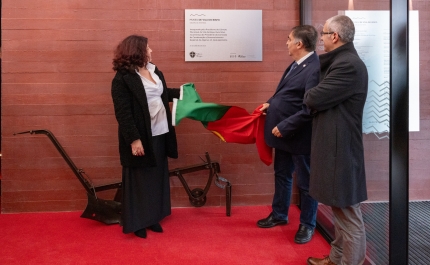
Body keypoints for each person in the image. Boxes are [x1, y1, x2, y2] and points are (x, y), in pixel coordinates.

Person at [304, 15, 368, 265]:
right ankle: (336, 258)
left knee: (348, 214)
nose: (321, 39)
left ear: (335, 37)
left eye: (324, 33)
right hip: (335, 149)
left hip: (340, 152)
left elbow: (312, 98)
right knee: (342, 211)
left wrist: (311, 92)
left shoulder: (347, 65)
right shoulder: (340, 61)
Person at [111, 35, 180, 239]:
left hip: (160, 132)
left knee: (156, 178)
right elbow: (122, 113)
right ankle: (138, 222)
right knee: (139, 181)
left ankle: (152, 218)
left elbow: (162, 94)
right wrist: (134, 139)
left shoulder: (153, 70)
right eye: (148, 48)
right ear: (137, 51)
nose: (151, 51)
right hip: (140, 138)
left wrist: (183, 92)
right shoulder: (122, 79)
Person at [256, 25, 320, 244]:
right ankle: (279, 214)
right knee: (282, 175)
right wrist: (270, 103)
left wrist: (285, 126)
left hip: (298, 136)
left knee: (306, 183)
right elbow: (286, 94)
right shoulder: (296, 65)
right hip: (282, 136)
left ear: (299, 44)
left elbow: (310, 108)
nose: (286, 42)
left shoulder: (314, 69)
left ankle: (307, 224)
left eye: (289, 39)